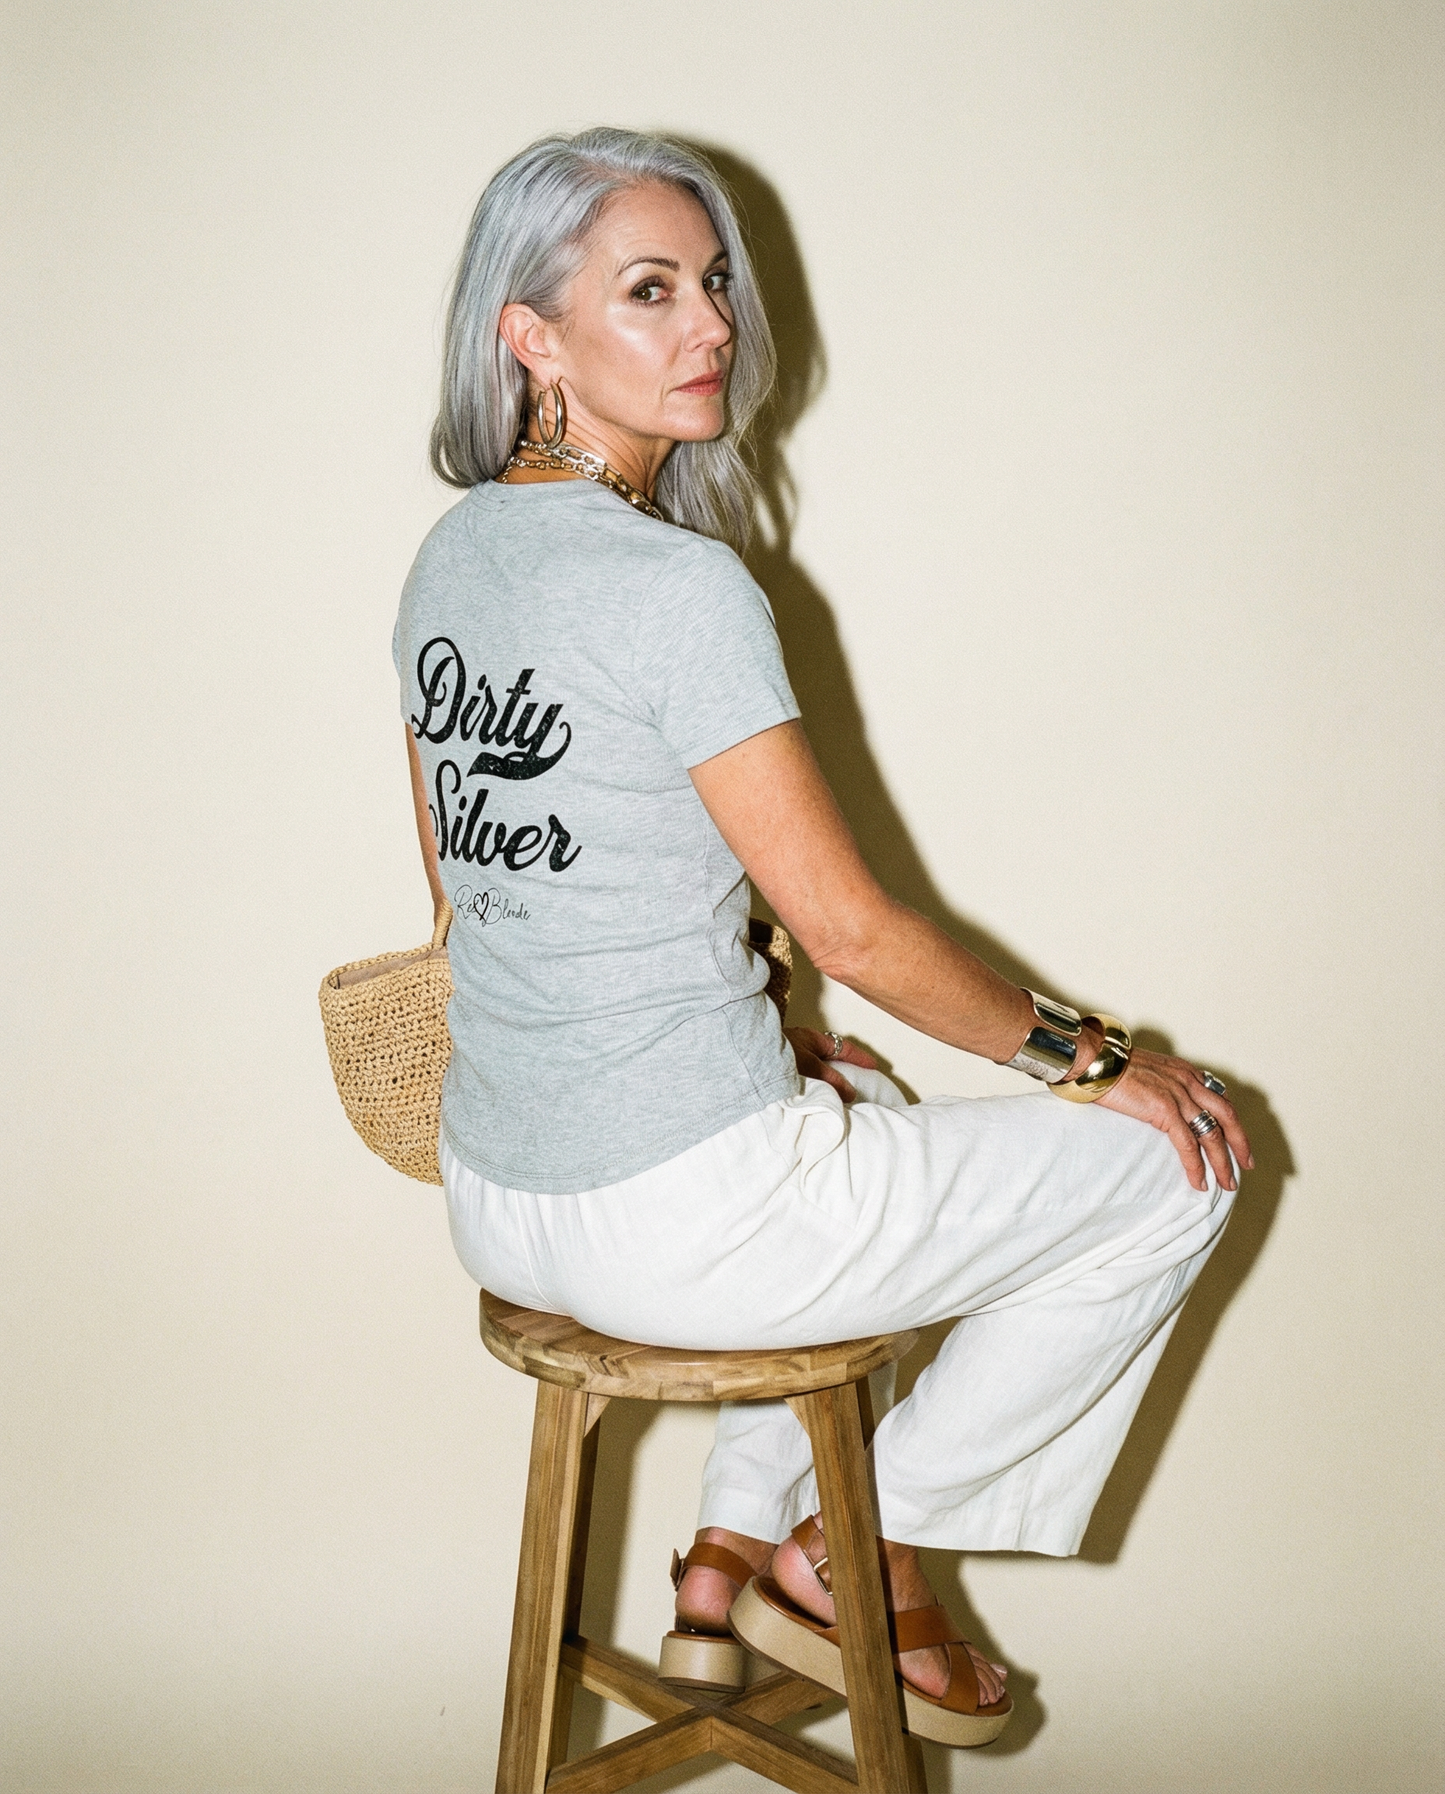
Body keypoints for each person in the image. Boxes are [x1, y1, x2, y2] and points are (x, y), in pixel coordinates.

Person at [394, 127, 1251, 1748]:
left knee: (855, 1097)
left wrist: (773, 1043)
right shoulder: (681, 588)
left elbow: (472, 898)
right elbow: (850, 928)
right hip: (678, 1215)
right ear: (532, 335)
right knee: (1178, 1163)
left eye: (712, 284)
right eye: (649, 290)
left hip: (500, 1200)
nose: (710, 324)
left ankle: (720, 1566)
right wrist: (1101, 1062)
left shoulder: (445, 567)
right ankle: (867, 1551)